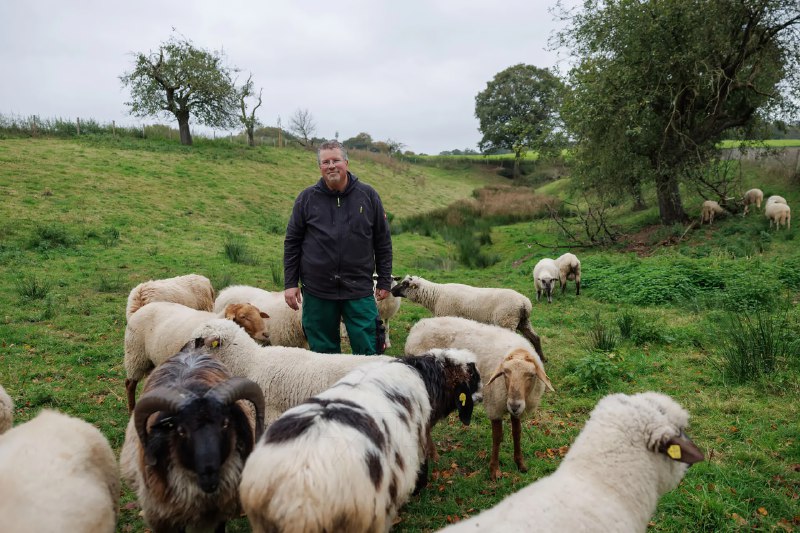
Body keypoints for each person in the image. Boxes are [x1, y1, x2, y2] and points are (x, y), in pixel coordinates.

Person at [284, 140, 393, 354]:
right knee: (322, 353)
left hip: (358, 287)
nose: (331, 166)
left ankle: (367, 387)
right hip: (318, 289)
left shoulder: (368, 195)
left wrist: (384, 279)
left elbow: (382, 241)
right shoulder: (306, 199)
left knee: (368, 349)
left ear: (347, 163)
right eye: (326, 162)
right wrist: (290, 283)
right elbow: (292, 242)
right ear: (320, 167)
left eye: (336, 160)